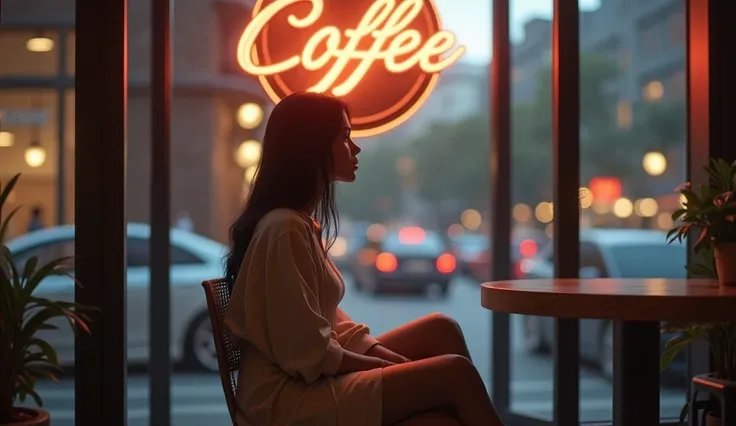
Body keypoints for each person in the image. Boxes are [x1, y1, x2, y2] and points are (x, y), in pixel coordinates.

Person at [223, 92, 505, 426]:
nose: (355, 149)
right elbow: (308, 353)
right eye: (344, 138)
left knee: (441, 329)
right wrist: (394, 370)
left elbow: (339, 330)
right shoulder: (284, 229)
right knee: (454, 375)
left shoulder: (298, 224)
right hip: (289, 399)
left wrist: (398, 367)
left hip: (307, 379)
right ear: (312, 147)